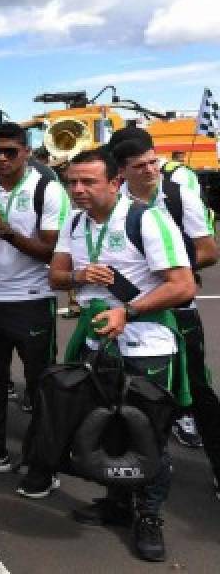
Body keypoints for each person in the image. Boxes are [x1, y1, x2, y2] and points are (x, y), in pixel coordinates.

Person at [50, 148, 195, 562]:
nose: (77, 189)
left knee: (148, 435)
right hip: (99, 344)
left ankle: (148, 516)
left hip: (147, 345)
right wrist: (78, 276)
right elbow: (55, 275)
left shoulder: (146, 219)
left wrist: (127, 310)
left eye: (88, 181)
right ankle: (117, 504)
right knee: (109, 429)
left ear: (115, 182)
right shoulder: (74, 222)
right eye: (72, 182)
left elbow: (182, 286)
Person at [0, 122, 69, 498]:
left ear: (26, 152)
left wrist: (4, 232)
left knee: (40, 383)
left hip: (32, 298)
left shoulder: (46, 189)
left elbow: (53, 251)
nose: (1, 159)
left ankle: (42, 462)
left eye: (10, 152)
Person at [111, 139, 220, 498]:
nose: (150, 170)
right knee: (132, 396)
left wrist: (165, 269)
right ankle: (126, 486)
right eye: (139, 165)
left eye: (152, 162)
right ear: (121, 170)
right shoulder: (116, 200)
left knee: (197, 389)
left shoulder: (177, 195)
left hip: (175, 308)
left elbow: (208, 251)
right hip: (129, 315)